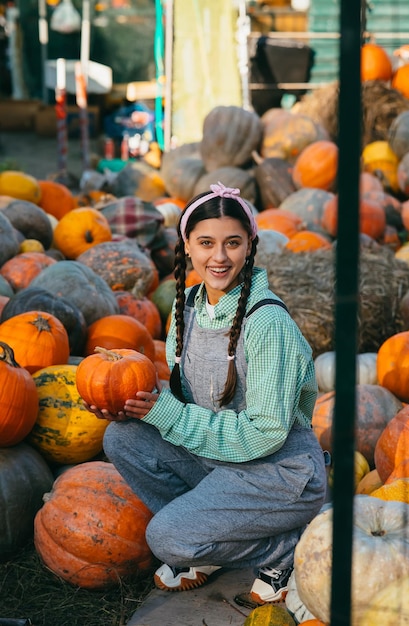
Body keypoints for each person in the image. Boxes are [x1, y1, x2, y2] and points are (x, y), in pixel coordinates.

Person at [93, 181, 327, 604]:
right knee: (122, 437)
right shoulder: (188, 308)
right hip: (221, 460)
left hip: (279, 473)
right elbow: (191, 402)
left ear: (250, 244)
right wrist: (131, 402)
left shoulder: (266, 324)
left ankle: (285, 549)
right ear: (186, 244)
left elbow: (265, 433)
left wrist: (168, 415)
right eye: (206, 243)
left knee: (164, 538)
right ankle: (212, 535)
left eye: (233, 243)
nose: (219, 257)